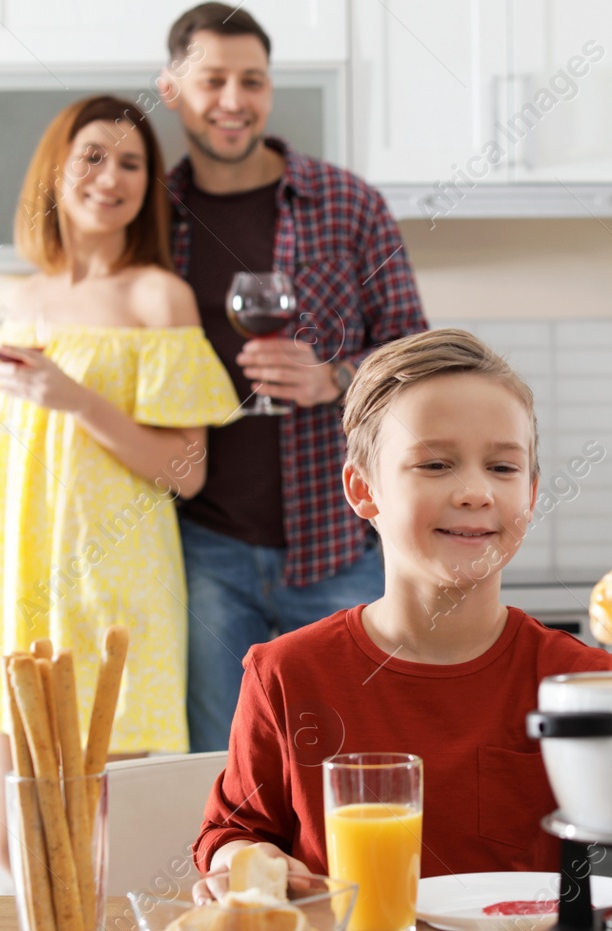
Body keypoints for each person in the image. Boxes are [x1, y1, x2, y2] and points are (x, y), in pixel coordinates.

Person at [0, 95, 242, 870]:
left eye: (131, 163)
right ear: (56, 170)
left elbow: (186, 472)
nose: (111, 176)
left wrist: (78, 399)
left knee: (107, 849)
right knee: (15, 846)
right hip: (17, 585)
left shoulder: (156, 297)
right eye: (93, 155)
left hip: (117, 589)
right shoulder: (18, 302)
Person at [191, 329, 612, 896]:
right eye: (436, 464)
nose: (474, 492)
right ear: (362, 489)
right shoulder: (286, 674)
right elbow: (233, 833)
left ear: (533, 494)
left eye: (503, 468)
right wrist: (246, 864)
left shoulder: (583, 680)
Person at [158, 4, 429, 754]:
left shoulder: (347, 204)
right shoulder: (153, 216)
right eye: (213, 80)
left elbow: (418, 362)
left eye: (253, 80)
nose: (234, 100)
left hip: (337, 544)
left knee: (357, 766)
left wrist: (334, 377)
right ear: (173, 89)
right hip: (204, 545)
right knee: (224, 765)